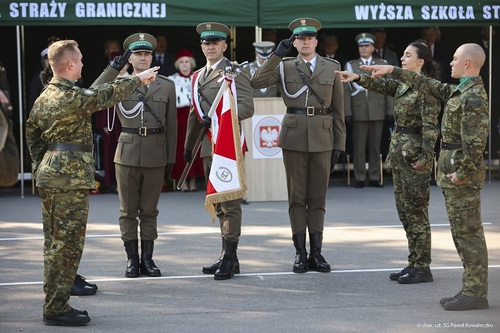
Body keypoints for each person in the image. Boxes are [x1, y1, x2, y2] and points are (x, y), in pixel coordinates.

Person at [25, 39, 159, 326]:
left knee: (54, 243)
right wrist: (138, 79)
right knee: (68, 245)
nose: (83, 64)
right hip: (68, 179)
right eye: (81, 60)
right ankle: (56, 307)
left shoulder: (46, 96)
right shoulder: (71, 98)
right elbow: (105, 95)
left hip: (50, 175)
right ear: (70, 64)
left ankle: (56, 299)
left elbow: (32, 136)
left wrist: (42, 166)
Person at [365, 43, 490, 311]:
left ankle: (475, 291)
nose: (451, 63)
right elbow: (429, 84)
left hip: (461, 176)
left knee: (469, 234)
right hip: (451, 173)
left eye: (456, 59)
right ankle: (471, 289)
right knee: (461, 234)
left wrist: (462, 173)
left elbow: (476, 144)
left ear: (467, 63)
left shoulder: (473, 97)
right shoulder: (459, 91)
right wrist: (393, 70)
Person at [336, 41, 440, 284]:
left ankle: (422, 267)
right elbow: (382, 85)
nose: (402, 58)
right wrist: (357, 78)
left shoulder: (426, 88)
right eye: (402, 54)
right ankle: (414, 262)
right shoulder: (405, 84)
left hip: (415, 156)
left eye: (407, 55)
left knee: (416, 213)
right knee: (405, 212)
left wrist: (425, 159)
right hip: (402, 154)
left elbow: (430, 129)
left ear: (420, 62)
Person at [251, 18, 345, 274]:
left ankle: (317, 251)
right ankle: (300, 252)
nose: (305, 42)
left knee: (318, 197)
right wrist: (275, 55)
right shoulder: (284, 66)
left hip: (323, 136)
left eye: (309, 38)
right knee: (296, 198)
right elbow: (256, 82)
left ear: (316, 41)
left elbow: (338, 110)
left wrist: (339, 142)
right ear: (294, 42)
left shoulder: (331, 67)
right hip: (293, 137)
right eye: (300, 38)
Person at [92, 33, 177, 278]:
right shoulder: (119, 84)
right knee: (127, 211)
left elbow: (171, 127)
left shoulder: (166, 85)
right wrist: (113, 69)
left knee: (149, 211)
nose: (143, 57)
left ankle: (148, 259)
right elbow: (93, 92)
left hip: (155, 152)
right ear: (130, 58)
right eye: (138, 54)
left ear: (152, 57)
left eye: (147, 53)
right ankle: (132, 259)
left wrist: (170, 159)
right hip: (127, 152)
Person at [184, 22, 254, 280]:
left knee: (230, 203)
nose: (210, 46)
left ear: (225, 45)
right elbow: (195, 115)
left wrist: (218, 119)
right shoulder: (197, 76)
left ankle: (229, 257)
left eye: (216, 42)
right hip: (206, 146)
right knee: (219, 204)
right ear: (201, 46)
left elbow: (247, 107)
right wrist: (188, 147)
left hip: (228, 145)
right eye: (206, 42)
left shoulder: (234, 72)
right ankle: (228, 257)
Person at [344, 32, 393, 188]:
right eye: (361, 46)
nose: (363, 49)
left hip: (377, 110)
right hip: (359, 111)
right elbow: (346, 92)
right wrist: (348, 112)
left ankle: (373, 176)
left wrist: (390, 110)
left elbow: (389, 89)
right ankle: (359, 177)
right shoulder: (351, 65)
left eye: (366, 46)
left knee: (375, 146)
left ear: (373, 48)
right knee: (358, 147)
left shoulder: (381, 63)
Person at [168, 48, 204, 192]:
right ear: (178, 64)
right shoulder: (171, 80)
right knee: (179, 151)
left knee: (194, 148)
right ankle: (182, 182)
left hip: (194, 116)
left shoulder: (198, 78)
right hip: (178, 117)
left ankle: (194, 181)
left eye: (187, 62)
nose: (184, 64)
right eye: (181, 62)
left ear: (192, 63)